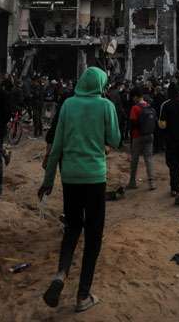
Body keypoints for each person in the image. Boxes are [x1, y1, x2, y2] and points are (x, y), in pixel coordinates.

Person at [39, 67, 121, 313]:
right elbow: (115, 139)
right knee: (93, 236)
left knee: (72, 228)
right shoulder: (106, 106)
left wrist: (48, 180)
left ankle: (61, 273)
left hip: (70, 177)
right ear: (101, 85)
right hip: (94, 177)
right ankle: (83, 295)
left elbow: (57, 146)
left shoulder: (68, 105)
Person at [158, 84, 179, 205]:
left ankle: (175, 187)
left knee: (171, 163)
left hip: (170, 140)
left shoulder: (165, 105)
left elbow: (162, 125)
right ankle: (175, 185)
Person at [126, 87, 156, 190]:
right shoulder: (148, 106)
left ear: (135, 96)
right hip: (149, 135)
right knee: (149, 159)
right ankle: (152, 183)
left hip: (137, 136)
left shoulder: (135, 108)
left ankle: (132, 181)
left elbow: (132, 124)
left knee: (135, 159)